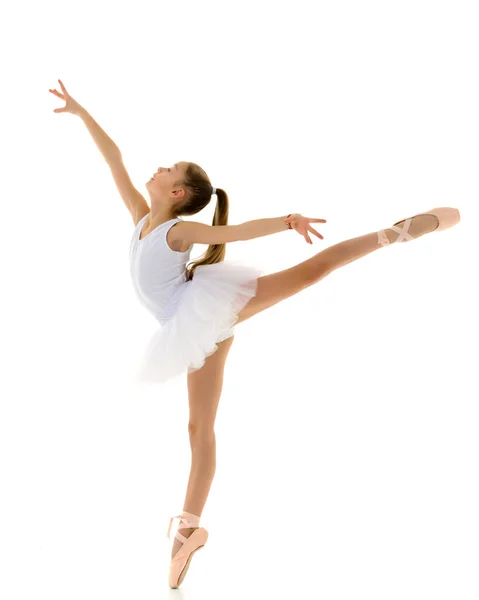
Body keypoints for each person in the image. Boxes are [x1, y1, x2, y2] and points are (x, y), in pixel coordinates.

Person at [49, 79, 461, 589]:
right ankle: (189, 530)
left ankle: (394, 232)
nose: (155, 169)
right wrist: (82, 112)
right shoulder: (140, 216)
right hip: (190, 326)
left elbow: (231, 234)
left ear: (177, 194)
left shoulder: (178, 231)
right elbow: (113, 158)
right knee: (198, 430)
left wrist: (286, 221)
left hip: (200, 311)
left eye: (167, 170)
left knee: (311, 273)